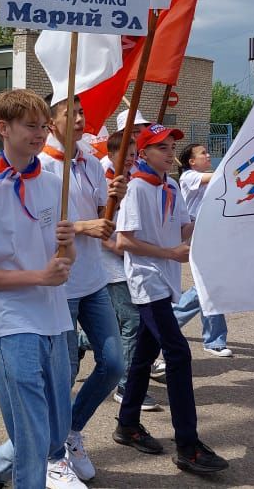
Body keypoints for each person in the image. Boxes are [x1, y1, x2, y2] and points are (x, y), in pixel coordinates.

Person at [0, 88, 83, 489]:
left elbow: (64, 263)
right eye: (31, 125)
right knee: (32, 434)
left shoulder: (53, 183)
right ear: (3, 128)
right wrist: (38, 277)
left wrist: (69, 244)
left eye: (44, 126)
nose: (40, 133)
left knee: (54, 432)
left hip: (56, 319)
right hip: (13, 322)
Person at [113, 124, 229, 476]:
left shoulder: (171, 185)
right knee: (177, 353)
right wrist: (167, 252)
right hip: (147, 283)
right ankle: (188, 445)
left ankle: (127, 423)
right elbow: (123, 241)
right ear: (143, 153)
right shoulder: (136, 188)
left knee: (146, 354)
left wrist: (216, 211)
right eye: (160, 147)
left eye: (171, 146)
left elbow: (182, 228)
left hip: (166, 279)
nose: (168, 152)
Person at [38, 94, 126, 482]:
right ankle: (52, 455)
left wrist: (114, 202)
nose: (78, 119)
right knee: (64, 372)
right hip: (61, 283)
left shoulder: (89, 160)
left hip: (94, 280)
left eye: (82, 113)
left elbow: (100, 217)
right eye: (68, 114)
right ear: (49, 121)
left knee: (113, 363)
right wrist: (81, 227)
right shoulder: (40, 165)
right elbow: (37, 226)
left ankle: (69, 432)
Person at [101, 130, 160, 411]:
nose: (130, 161)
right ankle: (125, 386)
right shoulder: (105, 181)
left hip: (129, 263)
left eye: (134, 156)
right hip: (111, 266)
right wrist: (120, 247)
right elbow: (99, 229)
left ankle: (79, 340)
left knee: (119, 324)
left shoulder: (133, 181)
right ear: (111, 154)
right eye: (125, 155)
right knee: (133, 323)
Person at [163, 143, 232, 363]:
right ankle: (209, 337)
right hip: (194, 234)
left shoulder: (206, 178)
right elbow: (212, 178)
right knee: (209, 284)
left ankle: (212, 339)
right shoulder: (188, 177)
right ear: (191, 161)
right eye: (203, 153)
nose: (208, 155)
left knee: (211, 285)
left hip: (210, 233)